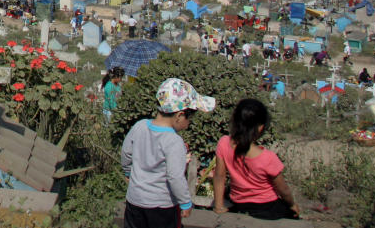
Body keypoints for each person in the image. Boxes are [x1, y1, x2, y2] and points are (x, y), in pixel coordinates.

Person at [121, 78, 215, 228]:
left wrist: (128, 173)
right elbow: (175, 177)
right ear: (179, 116)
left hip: (134, 201)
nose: (190, 122)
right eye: (190, 118)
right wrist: (185, 202)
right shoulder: (174, 142)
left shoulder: (139, 127)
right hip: (162, 207)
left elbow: (126, 154)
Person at [213, 99, 299, 220]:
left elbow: (219, 176)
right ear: (260, 128)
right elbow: (283, 190)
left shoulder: (224, 143)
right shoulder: (268, 158)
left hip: (240, 204)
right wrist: (292, 204)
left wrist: (218, 206)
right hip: (268, 208)